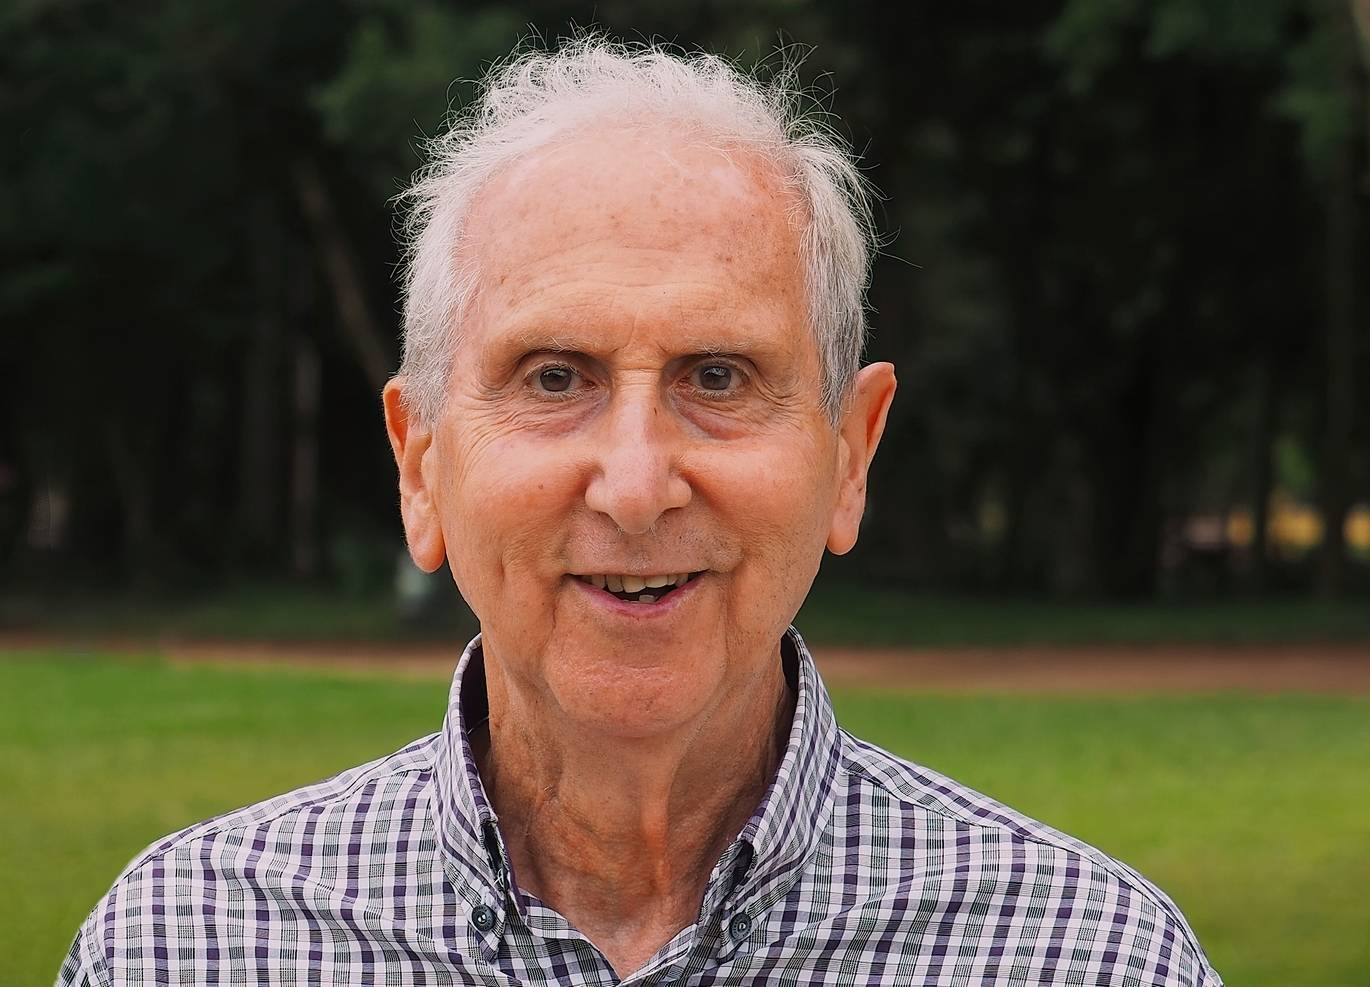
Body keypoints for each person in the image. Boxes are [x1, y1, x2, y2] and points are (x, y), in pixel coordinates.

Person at [58, 36, 1222, 986]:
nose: (633, 485)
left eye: (717, 377)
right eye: (553, 378)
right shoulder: (181, 948)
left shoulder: (1092, 958)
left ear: (850, 456)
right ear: (420, 464)